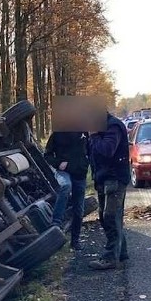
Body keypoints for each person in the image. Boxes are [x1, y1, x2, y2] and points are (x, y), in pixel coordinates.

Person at [87, 111, 130, 270]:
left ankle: (110, 258)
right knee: (106, 217)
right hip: (103, 178)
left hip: (114, 178)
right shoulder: (101, 126)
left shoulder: (112, 126)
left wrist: (93, 136)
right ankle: (121, 251)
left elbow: (107, 150)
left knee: (110, 216)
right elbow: (92, 153)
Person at [44, 130, 89, 250]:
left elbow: (91, 149)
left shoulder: (84, 132)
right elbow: (47, 155)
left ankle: (75, 241)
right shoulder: (57, 134)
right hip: (63, 172)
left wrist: (86, 163)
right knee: (65, 186)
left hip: (80, 174)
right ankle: (56, 222)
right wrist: (58, 163)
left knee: (79, 209)